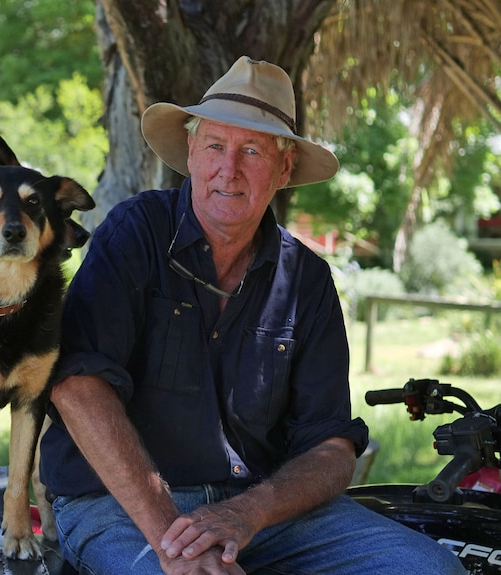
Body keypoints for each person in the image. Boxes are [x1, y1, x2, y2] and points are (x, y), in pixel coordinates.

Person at [38, 56, 466, 575]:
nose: (229, 169)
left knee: (429, 569)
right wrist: (177, 546)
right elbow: (77, 388)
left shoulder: (306, 279)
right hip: (122, 507)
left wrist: (248, 512)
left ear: (284, 170)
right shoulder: (136, 232)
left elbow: (331, 447)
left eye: (253, 151)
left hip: (262, 515)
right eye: (215, 145)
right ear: (191, 152)